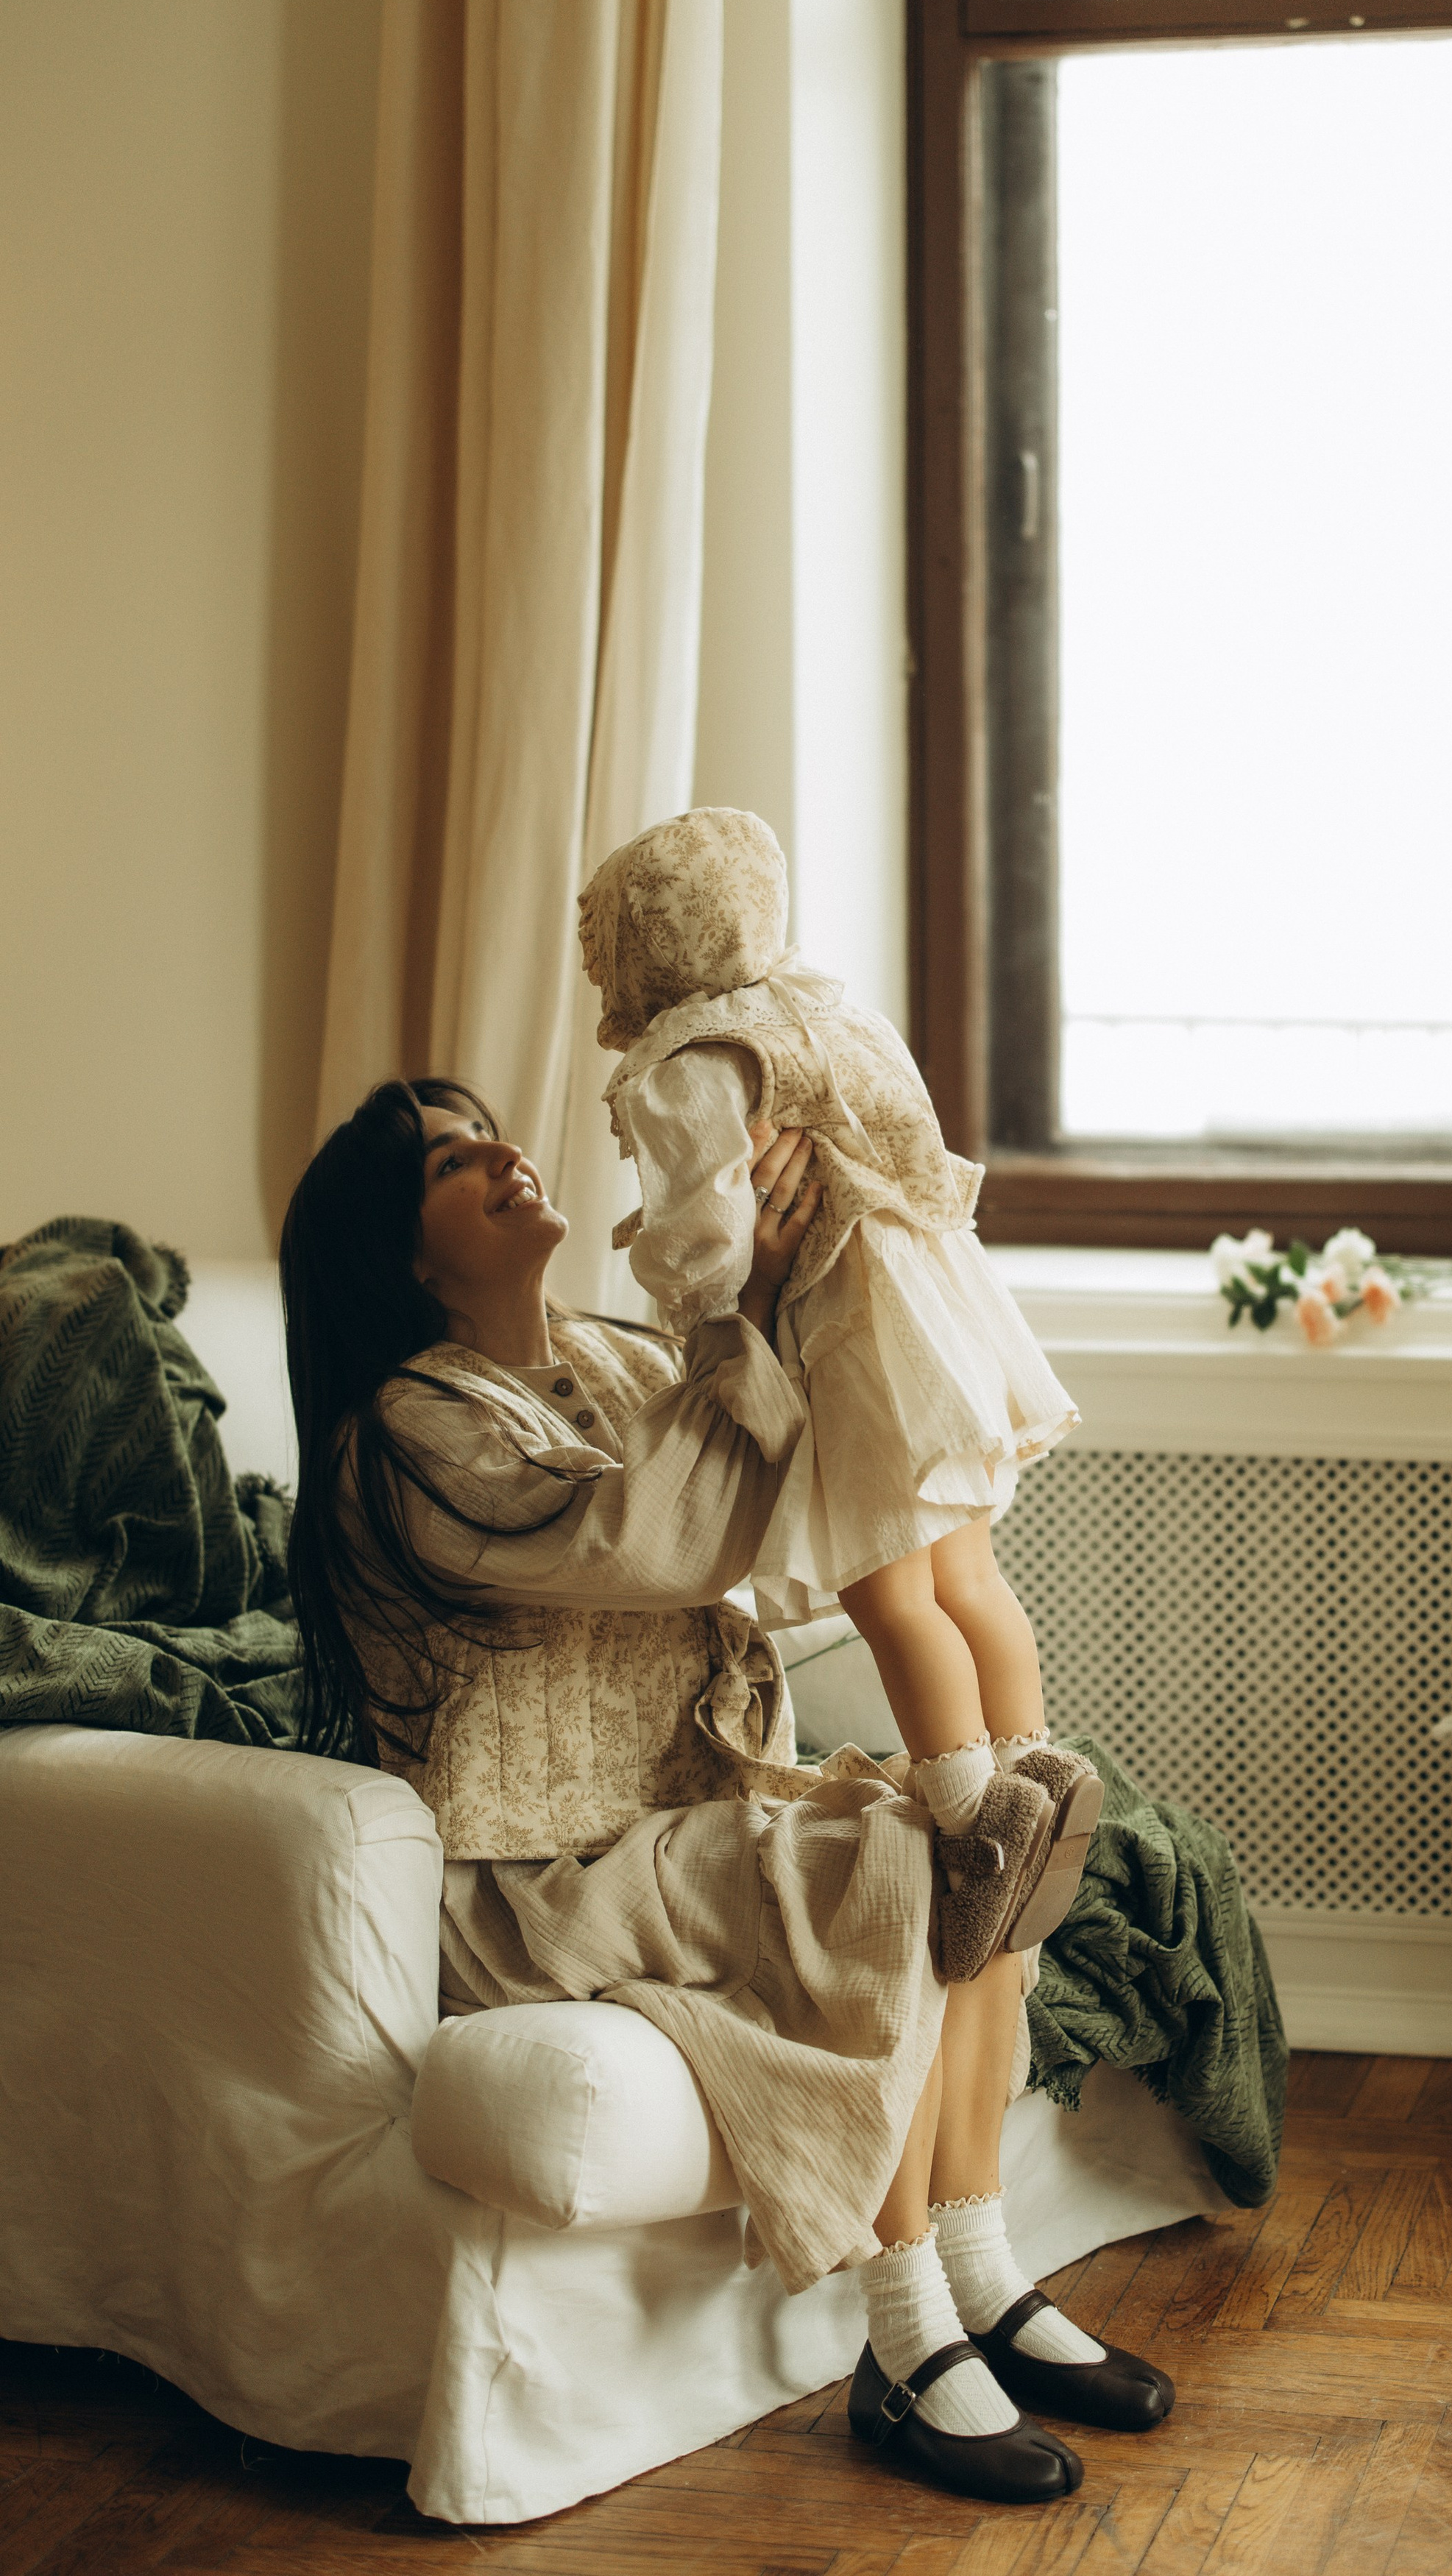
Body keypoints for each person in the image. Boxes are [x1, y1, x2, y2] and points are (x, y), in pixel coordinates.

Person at [279, 1076, 1172, 2508]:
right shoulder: (405, 1434)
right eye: (451, 1161)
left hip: (679, 1822)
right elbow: (655, 1537)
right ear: (408, 1258)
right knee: (913, 1847)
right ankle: (904, 2338)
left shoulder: (617, 1355)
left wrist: (785, 1244)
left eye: (489, 1126)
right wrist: (735, 1300)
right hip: (534, 1883)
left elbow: (795, 1490)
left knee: (986, 1831)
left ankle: (981, 2266)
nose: (501, 1152)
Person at [578, 808, 1101, 1987]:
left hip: (851, 1326)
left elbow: (708, 1238)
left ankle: (978, 1828)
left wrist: (679, 1278)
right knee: (968, 1575)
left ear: (647, 949)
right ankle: (1040, 1770)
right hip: (938, 1303)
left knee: (886, 1590)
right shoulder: (827, 1005)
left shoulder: (688, 1065)